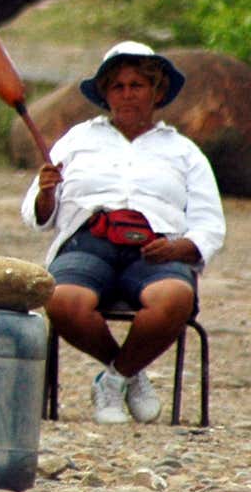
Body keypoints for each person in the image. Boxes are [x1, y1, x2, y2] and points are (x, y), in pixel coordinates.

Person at [23, 41, 225, 424]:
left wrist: (178, 247)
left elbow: (209, 224)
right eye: (117, 86)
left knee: (173, 298)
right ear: (105, 94)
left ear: (157, 92)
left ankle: (114, 379)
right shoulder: (78, 140)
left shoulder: (184, 152)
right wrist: (47, 190)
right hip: (88, 244)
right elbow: (39, 214)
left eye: (137, 85)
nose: (127, 94)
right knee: (62, 299)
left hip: (154, 251)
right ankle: (129, 371)